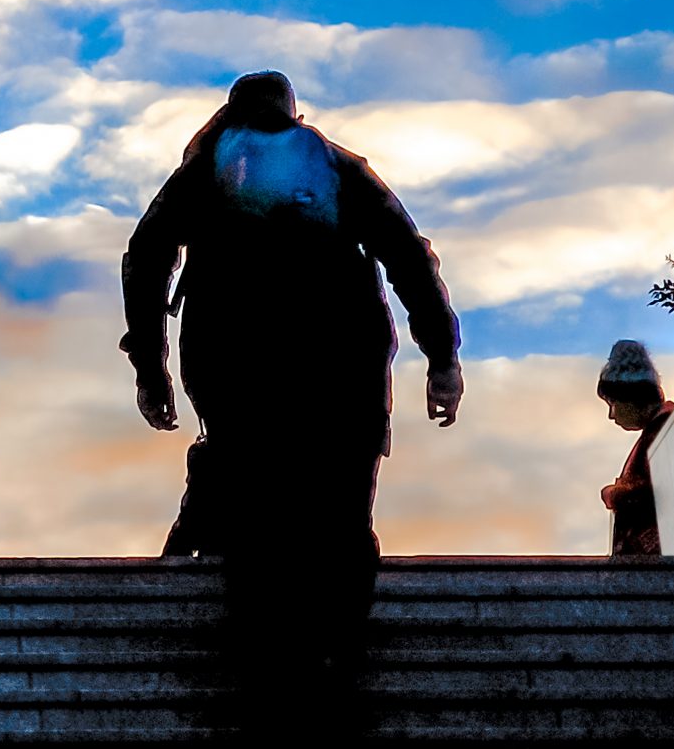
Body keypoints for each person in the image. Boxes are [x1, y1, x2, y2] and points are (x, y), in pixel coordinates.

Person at [120, 69, 462, 736]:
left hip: (238, 367)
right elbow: (408, 253)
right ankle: (336, 661)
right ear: (294, 112)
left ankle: (267, 678)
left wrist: (151, 367)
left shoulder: (206, 170)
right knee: (341, 516)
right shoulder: (337, 165)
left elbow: (146, 254)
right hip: (346, 365)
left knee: (254, 523)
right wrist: (442, 357)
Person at [597, 339, 674, 557]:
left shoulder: (664, 427)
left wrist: (615, 494)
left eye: (613, 404)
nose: (611, 415)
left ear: (631, 397)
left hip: (660, 562)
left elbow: (652, 494)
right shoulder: (661, 426)